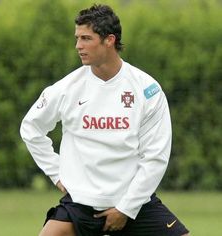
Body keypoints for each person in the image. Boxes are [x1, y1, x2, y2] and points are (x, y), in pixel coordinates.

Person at [20, 4, 190, 236]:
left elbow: (156, 156)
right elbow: (31, 128)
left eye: (86, 38)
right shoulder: (66, 88)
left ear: (109, 40)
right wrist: (56, 173)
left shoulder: (147, 89)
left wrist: (126, 208)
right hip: (80, 204)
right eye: (77, 38)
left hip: (134, 203)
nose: (78, 46)